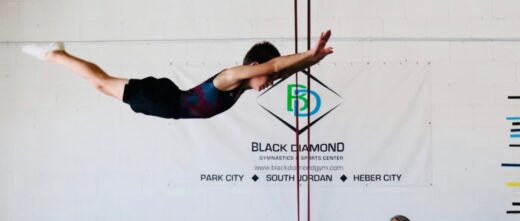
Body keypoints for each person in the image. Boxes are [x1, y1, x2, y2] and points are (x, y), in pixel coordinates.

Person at [21, 31, 333, 119]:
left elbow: (284, 69)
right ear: (254, 67)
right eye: (267, 74)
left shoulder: (243, 86)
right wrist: (309, 52)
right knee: (102, 84)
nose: (271, 82)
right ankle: (54, 53)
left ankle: (57, 54)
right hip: (166, 100)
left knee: (103, 85)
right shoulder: (231, 76)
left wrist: (314, 61)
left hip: (169, 104)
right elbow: (277, 66)